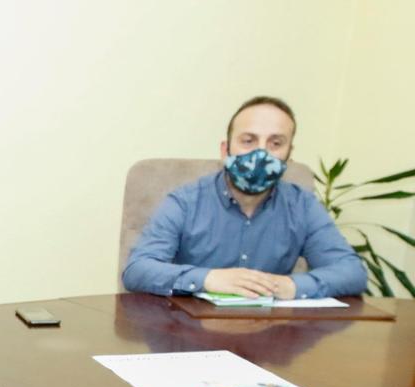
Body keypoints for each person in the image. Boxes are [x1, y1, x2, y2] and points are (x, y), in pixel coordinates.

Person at [122, 96, 367, 299]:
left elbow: (352, 272)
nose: (261, 154)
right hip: (190, 334)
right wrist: (208, 278)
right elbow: (137, 270)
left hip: (269, 341)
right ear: (225, 150)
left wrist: (292, 286)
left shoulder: (302, 205)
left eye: (275, 143)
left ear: (289, 157)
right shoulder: (185, 202)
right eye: (248, 141)